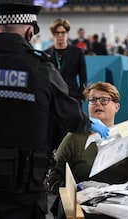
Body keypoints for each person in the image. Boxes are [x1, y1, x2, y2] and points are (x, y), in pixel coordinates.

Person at [0, 3, 109, 219]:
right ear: (30, 32)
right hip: (24, 193)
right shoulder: (42, 69)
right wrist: (90, 123)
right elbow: (72, 119)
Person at [47, 82, 128, 195]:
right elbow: (53, 178)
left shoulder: (127, 133)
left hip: (123, 203)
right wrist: (74, 190)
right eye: (92, 100)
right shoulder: (74, 138)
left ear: (116, 107)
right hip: (83, 204)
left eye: (104, 99)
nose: (98, 103)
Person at [45, 18, 88, 154]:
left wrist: (81, 97)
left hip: (72, 98)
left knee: (72, 134)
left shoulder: (77, 52)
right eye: (57, 33)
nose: (60, 36)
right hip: (52, 100)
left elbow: (83, 77)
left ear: (67, 33)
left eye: (63, 32)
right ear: (53, 34)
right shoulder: (46, 54)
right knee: (52, 134)